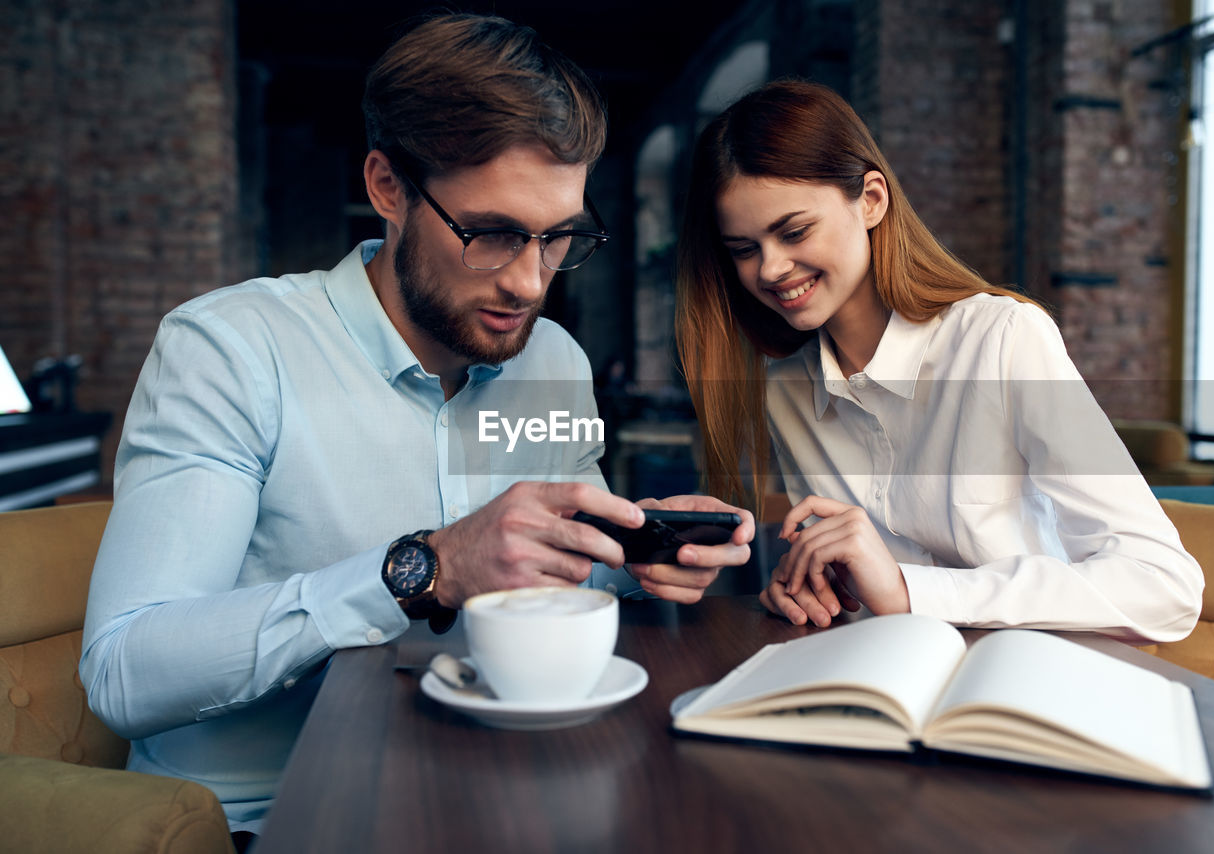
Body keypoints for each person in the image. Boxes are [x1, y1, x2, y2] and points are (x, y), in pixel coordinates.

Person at [80, 14, 752, 841]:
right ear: (388, 186)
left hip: (511, 788)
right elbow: (125, 670)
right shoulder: (230, 351)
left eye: (558, 238)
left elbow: (555, 579)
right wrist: (421, 570)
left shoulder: (555, 363)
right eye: (493, 233)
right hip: (278, 815)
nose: (529, 283)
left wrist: (633, 557)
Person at [674, 80, 1201, 642]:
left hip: (1022, 680)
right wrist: (810, 584)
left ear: (872, 200)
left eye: (795, 231)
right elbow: (856, 594)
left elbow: (1164, 587)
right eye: (744, 250)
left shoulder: (1003, 340)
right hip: (880, 683)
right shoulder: (782, 393)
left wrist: (908, 590)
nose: (771, 269)